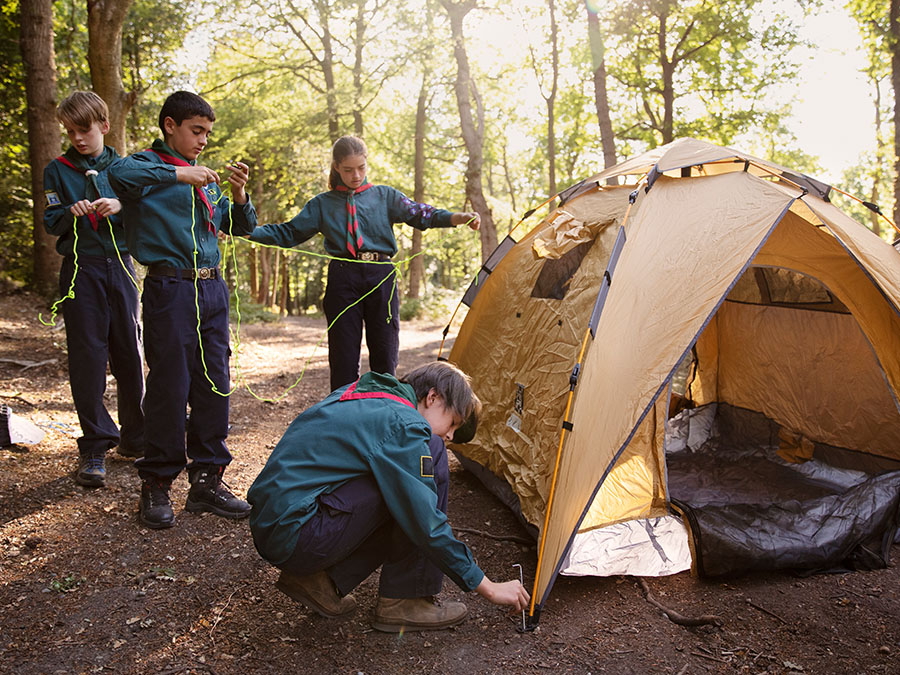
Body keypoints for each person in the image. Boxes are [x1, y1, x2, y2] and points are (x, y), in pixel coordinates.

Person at [247, 361, 529, 632]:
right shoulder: (402, 423)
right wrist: (487, 587)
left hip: (279, 525)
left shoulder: (368, 395)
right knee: (429, 454)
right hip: (299, 532)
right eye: (452, 423)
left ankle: (320, 581)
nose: (450, 435)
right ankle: (406, 599)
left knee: (406, 476)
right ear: (433, 397)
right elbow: (425, 522)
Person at [107, 91, 257, 529]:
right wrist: (179, 176)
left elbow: (237, 225)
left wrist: (238, 192)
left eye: (208, 133)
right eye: (197, 131)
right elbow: (119, 175)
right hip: (169, 287)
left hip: (211, 289)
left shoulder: (206, 178)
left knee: (215, 382)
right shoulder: (144, 168)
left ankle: (208, 480)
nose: (204, 140)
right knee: (171, 385)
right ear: (170, 125)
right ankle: (156, 482)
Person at [244, 135, 481, 391]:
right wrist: (247, 231)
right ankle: (344, 414)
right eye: (348, 169)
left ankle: (382, 412)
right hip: (343, 279)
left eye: (361, 168)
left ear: (367, 163)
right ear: (336, 167)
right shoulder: (321, 205)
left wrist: (458, 217)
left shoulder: (385, 196)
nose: (356, 175)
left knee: (385, 354)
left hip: (381, 277)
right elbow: (288, 233)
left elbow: (421, 213)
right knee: (343, 356)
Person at [42, 91, 146, 488]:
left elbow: (145, 214)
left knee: (129, 351)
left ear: (104, 124)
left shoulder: (126, 168)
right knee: (87, 356)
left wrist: (121, 207)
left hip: (120, 265)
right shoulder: (58, 169)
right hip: (80, 268)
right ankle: (95, 445)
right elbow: (50, 219)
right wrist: (69, 212)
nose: (78, 138)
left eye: (84, 129)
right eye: (70, 131)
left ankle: (135, 436)